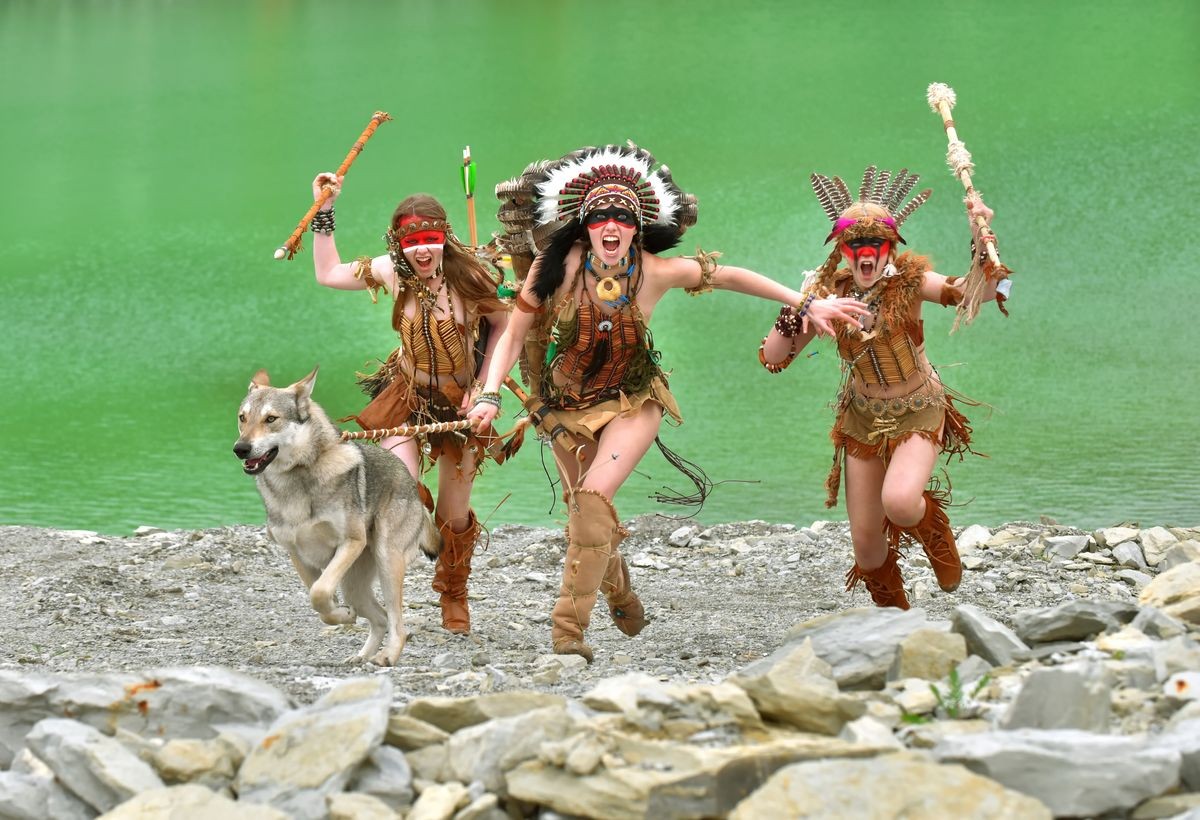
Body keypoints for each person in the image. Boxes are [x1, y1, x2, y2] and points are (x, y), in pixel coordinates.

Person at [466, 144, 870, 662]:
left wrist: (809, 302)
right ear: (584, 225)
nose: (611, 228)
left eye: (622, 218)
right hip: (563, 408)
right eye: (599, 218)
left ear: (637, 227)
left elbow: (731, 276)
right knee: (585, 516)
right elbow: (515, 335)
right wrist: (490, 394)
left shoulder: (656, 272)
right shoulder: (557, 267)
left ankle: (567, 634)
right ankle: (620, 592)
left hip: (632, 401)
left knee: (592, 501)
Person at [759, 166, 1006, 609]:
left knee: (899, 500)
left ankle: (935, 534)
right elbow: (775, 358)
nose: (865, 254)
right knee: (867, 545)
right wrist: (801, 305)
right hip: (863, 417)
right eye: (855, 246)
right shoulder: (825, 293)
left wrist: (981, 237)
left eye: (875, 246)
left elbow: (979, 292)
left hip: (917, 407)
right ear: (843, 251)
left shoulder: (910, 282)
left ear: (889, 248)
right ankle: (894, 625)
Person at [307, 172, 511, 634]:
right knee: (405, 490)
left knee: (453, 514)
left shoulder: (470, 276)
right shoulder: (388, 270)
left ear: (445, 239)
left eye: (431, 240)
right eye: (412, 241)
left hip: (461, 405)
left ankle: (454, 595)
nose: (423, 250)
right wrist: (324, 211)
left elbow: (505, 326)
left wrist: (484, 386)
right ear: (399, 243)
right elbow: (328, 273)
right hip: (407, 396)